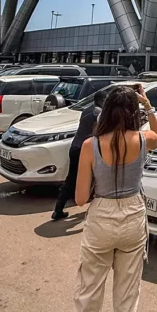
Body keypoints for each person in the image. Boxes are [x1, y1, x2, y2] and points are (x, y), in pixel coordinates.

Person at [67, 85, 157, 312]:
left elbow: (81, 198)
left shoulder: (91, 145)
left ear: (106, 111)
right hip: (133, 216)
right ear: (133, 112)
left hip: (101, 219)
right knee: (125, 310)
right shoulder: (144, 140)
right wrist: (148, 105)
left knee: (86, 309)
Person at [52, 85, 115, 221]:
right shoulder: (100, 114)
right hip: (86, 150)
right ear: (102, 100)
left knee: (71, 178)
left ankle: (58, 209)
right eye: (107, 100)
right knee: (97, 178)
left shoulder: (86, 110)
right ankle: (93, 209)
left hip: (74, 147)